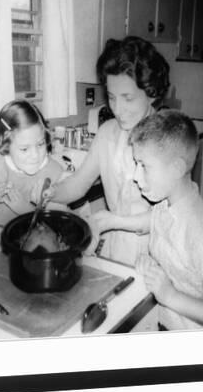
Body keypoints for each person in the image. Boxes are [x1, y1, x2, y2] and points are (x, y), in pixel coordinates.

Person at [42, 36, 170, 264]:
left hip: (158, 253)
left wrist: (113, 221)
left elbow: (170, 217)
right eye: (111, 98)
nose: (118, 109)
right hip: (115, 249)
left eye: (127, 98)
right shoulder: (107, 133)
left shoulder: (167, 139)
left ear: (151, 92)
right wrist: (51, 192)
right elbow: (79, 184)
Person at [130, 110, 203, 330]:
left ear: (177, 168)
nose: (135, 176)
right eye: (136, 164)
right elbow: (178, 264)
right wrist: (154, 268)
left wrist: (170, 295)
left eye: (144, 166)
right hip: (165, 324)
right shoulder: (163, 206)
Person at [0, 99, 64, 226]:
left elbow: (58, 223)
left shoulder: (54, 172)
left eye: (40, 144)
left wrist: (25, 210)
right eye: (24, 149)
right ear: (6, 144)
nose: (35, 155)